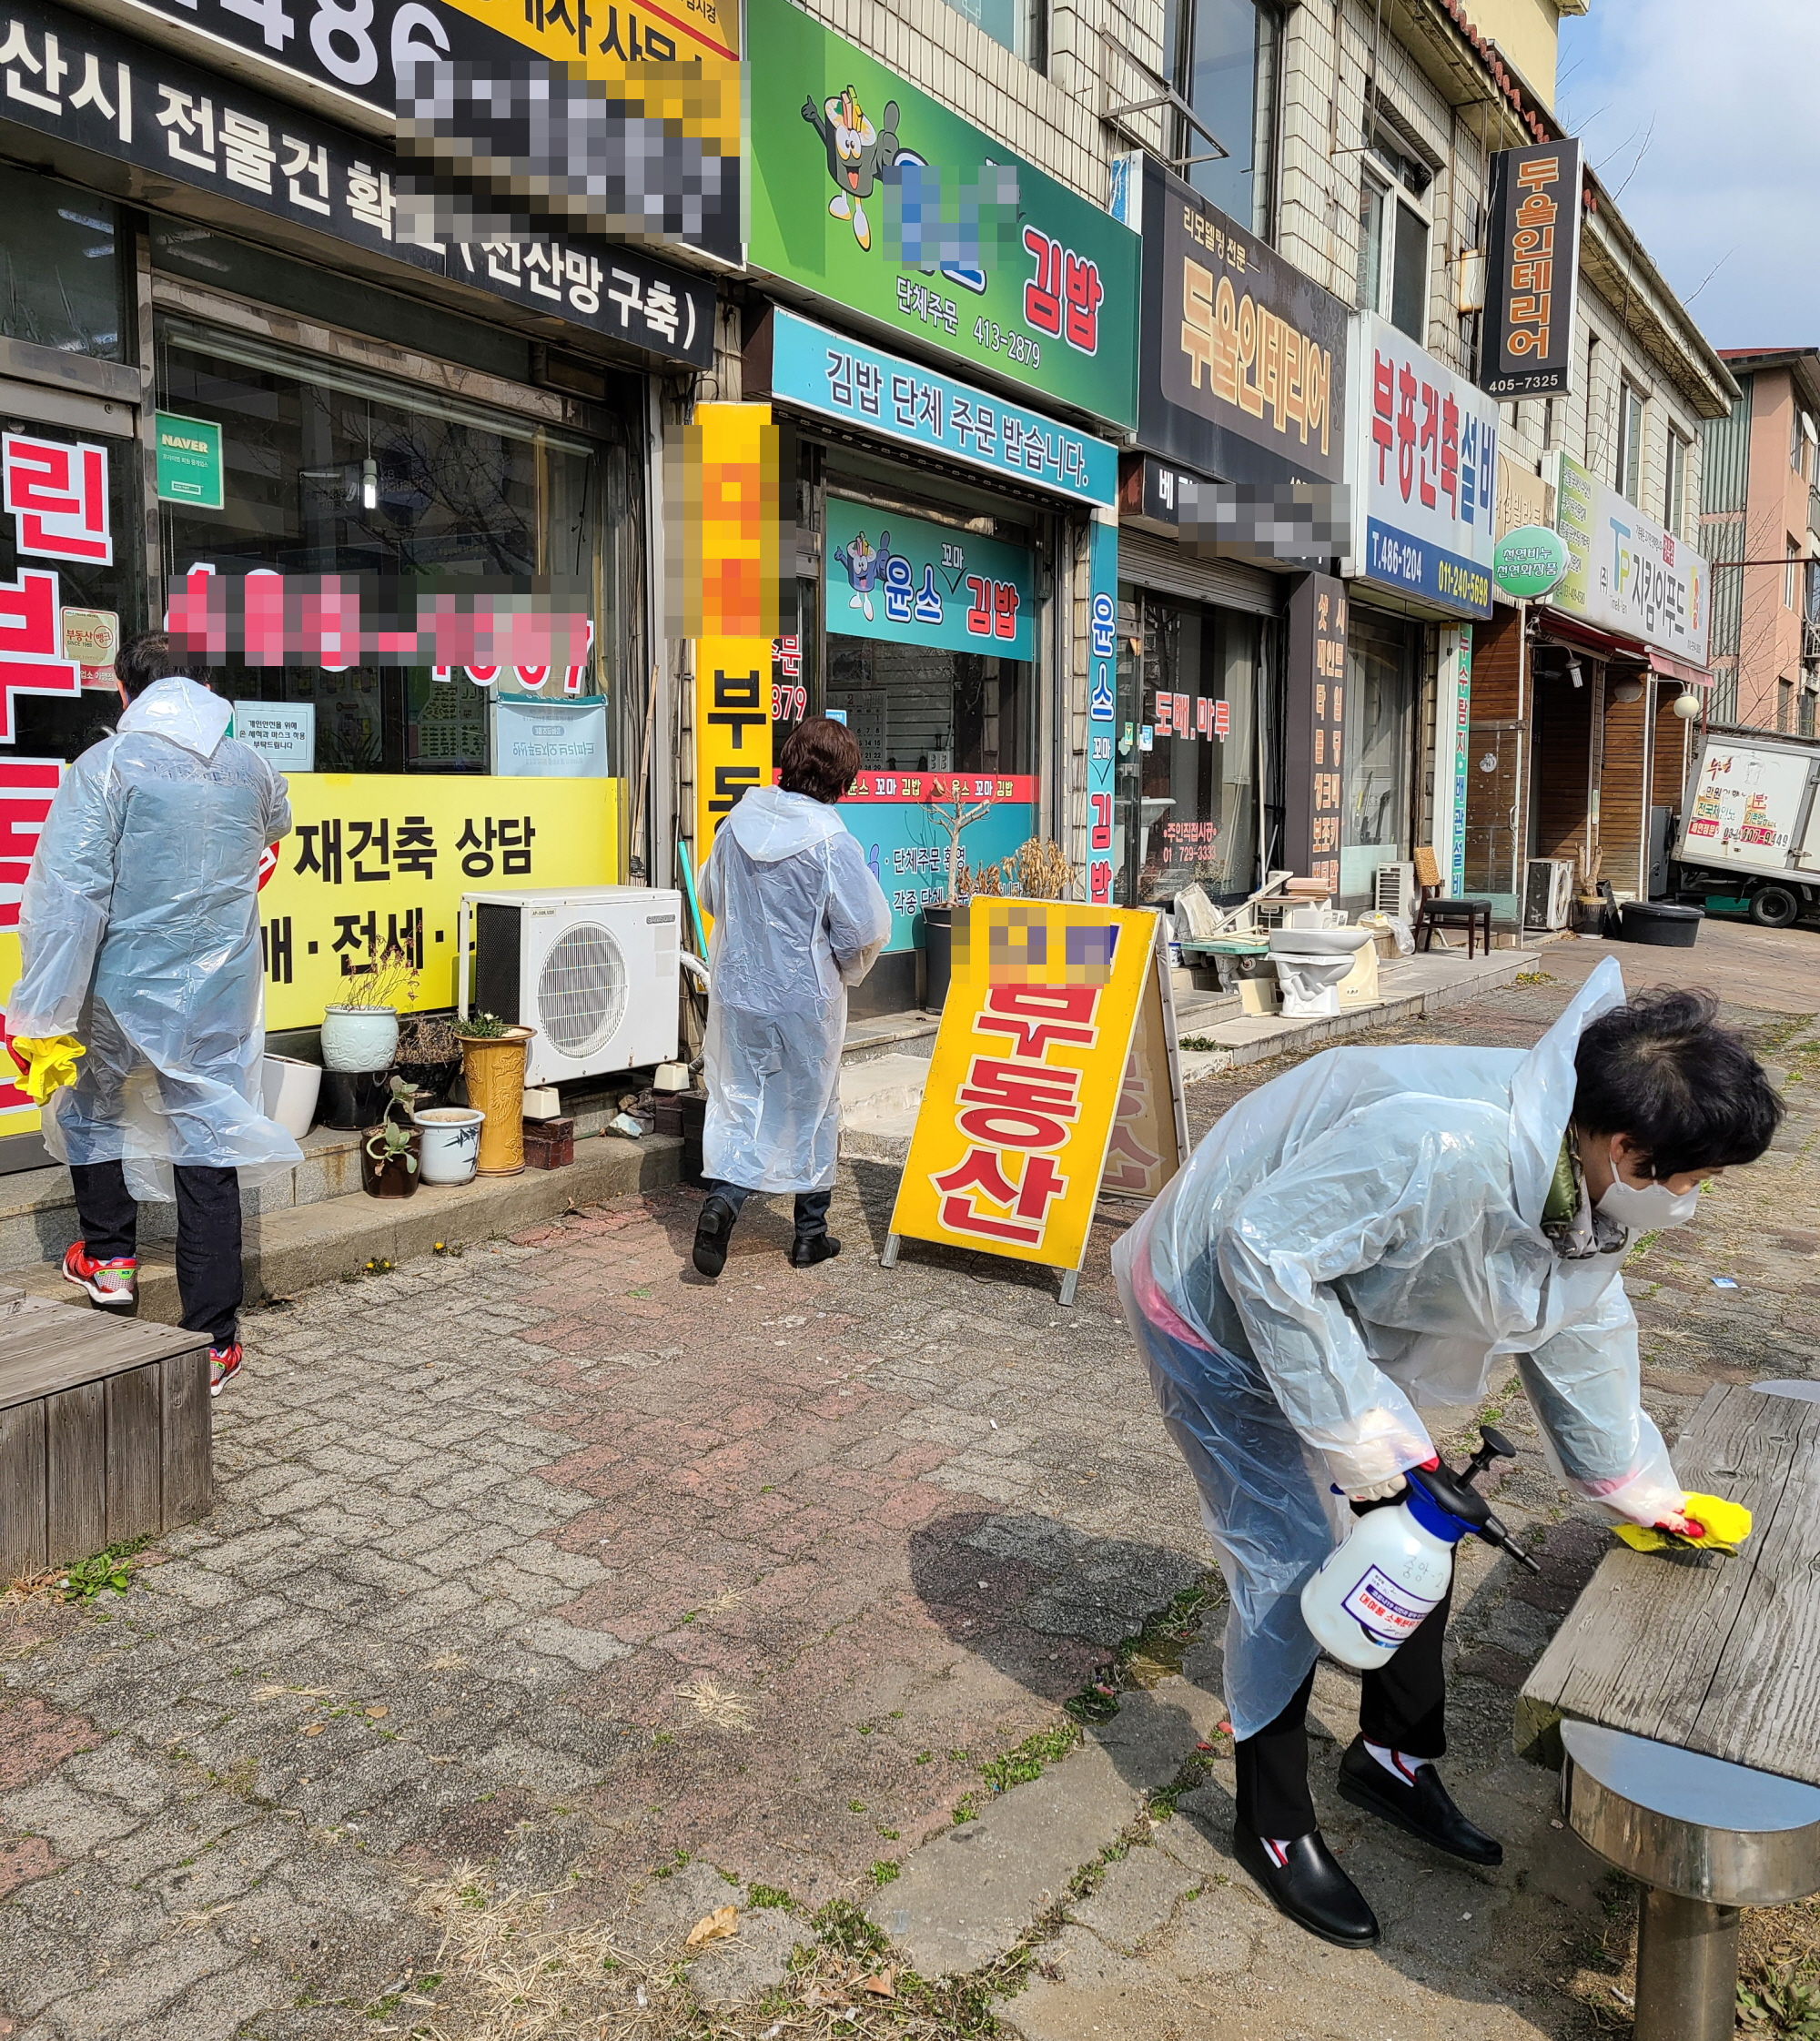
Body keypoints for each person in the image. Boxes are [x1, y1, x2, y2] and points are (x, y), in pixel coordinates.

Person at [1112, 964, 1782, 1949]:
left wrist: (1633, 1484)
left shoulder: (1581, 1169)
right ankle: (1273, 1820)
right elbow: (1260, 1250)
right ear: (1629, 1149)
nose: (1692, 1196)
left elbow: (1576, 1318)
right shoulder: (1439, 1143)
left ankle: (1389, 1755)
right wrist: (1358, 1439)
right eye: (1691, 1176)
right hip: (1208, 1303)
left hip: (1327, 1309)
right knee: (1292, 1559)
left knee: (1423, 1521)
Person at [9, 632, 301, 1394]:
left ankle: (108, 1261)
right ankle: (214, 1340)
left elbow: (68, 898)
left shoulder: (104, 768)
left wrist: (40, 1008)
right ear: (203, 685)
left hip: (116, 980)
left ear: (122, 689)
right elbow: (275, 827)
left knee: (94, 1105)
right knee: (206, 1132)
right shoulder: (254, 767)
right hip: (213, 986)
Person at [692, 716, 891, 1278]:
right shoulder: (831, 841)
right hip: (805, 998)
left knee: (741, 1099)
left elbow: (710, 893)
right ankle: (810, 1234)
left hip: (739, 990)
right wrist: (844, 969)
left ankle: (722, 1201)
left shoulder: (735, 824)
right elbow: (864, 929)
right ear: (843, 781)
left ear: (789, 762)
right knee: (812, 1102)